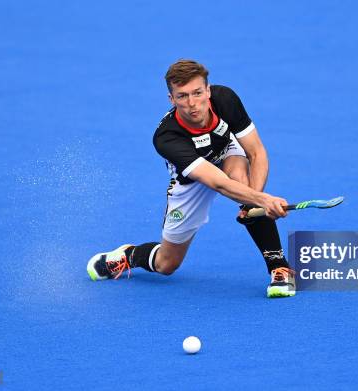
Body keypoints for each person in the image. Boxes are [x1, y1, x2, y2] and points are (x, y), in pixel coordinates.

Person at [87, 59, 296, 297]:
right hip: (193, 179)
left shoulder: (225, 99)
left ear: (208, 90)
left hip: (227, 150)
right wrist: (261, 200)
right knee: (167, 264)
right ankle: (129, 255)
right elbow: (217, 183)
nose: (193, 103)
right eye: (182, 96)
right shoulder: (166, 137)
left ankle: (279, 267)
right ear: (171, 99)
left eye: (198, 93)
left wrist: (252, 204)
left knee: (241, 179)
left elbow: (256, 152)